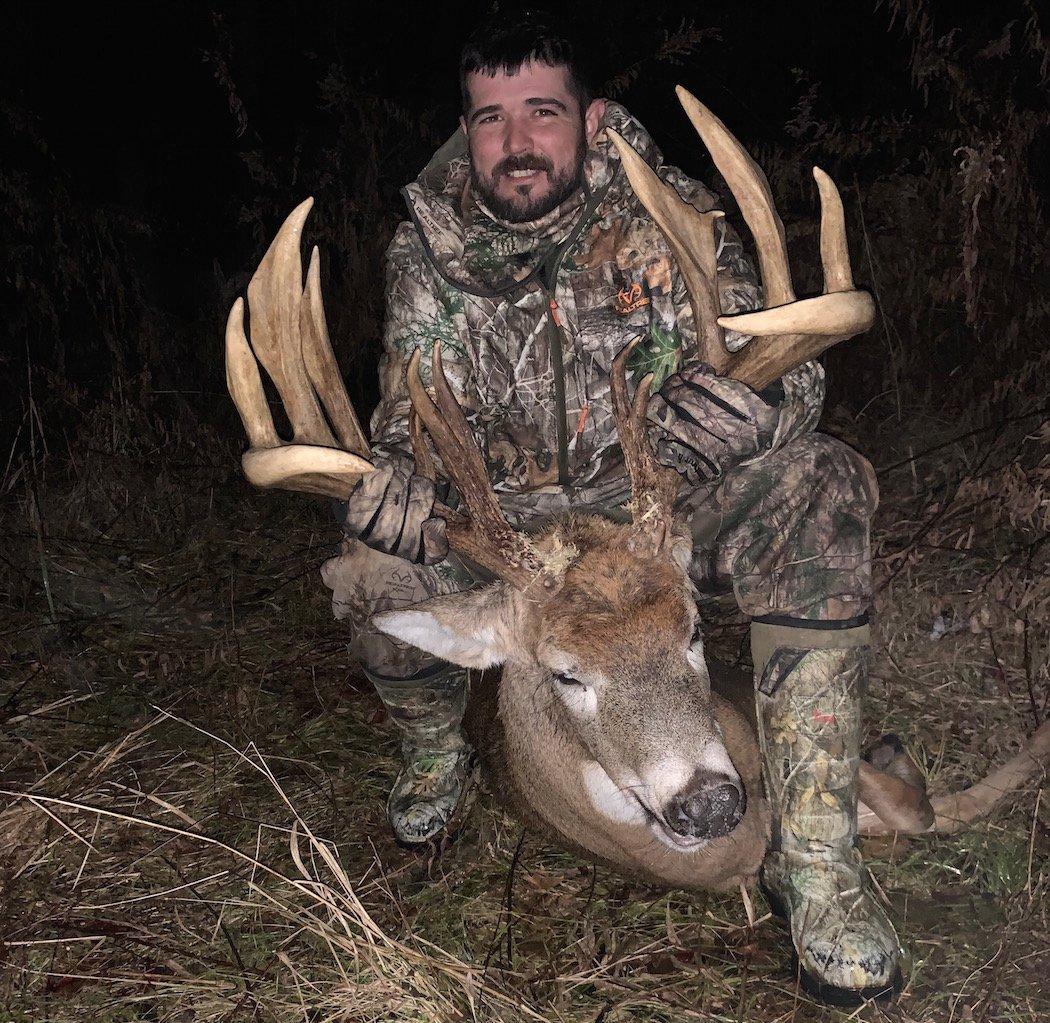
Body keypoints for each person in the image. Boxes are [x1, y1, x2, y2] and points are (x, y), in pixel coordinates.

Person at [321, 11, 902, 1005]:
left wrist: (756, 414)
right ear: (468, 127)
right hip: (521, 559)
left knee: (818, 480)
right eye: (490, 118)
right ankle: (433, 753)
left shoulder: (669, 215)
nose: (513, 142)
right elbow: (406, 420)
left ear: (589, 121)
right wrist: (391, 491)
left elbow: (784, 370)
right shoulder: (427, 256)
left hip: (654, 525)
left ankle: (816, 864)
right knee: (372, 570)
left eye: (540, 113)